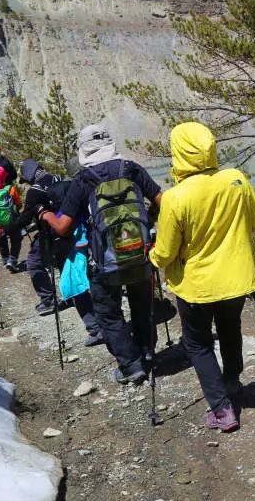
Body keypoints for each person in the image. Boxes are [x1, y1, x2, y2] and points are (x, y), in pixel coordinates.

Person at [150, 122, 255, 433]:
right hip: (237, 279)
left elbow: (166, 252)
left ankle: (222, 409)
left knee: (198, 344)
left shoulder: (175, 197)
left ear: (179, 154)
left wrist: (152, 259)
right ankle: (233, 380)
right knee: (230, 329)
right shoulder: (236, 179)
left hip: (196, 287)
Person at [39, 124, 162, 384]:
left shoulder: (84, 179)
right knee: (142, 305)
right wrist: (148, 222)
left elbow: (63, 228)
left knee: (108, 311)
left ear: (84, 150)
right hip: (139, 254)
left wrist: (45, 214)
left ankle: (130, 366)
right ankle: (147, 351)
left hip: (105, 260)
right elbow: (163, 201)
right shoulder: (132, 169)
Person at [15, 160, 102, 346]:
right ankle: (97, 321)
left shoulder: (34, 192)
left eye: (25, 179)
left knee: (36, 263)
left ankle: (50, 302)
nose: (26, 183)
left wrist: (6, 230)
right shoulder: (61, 179)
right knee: (77, 275)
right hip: (77, 233)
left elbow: (24, 218)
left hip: (54, 237)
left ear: (29, 175)